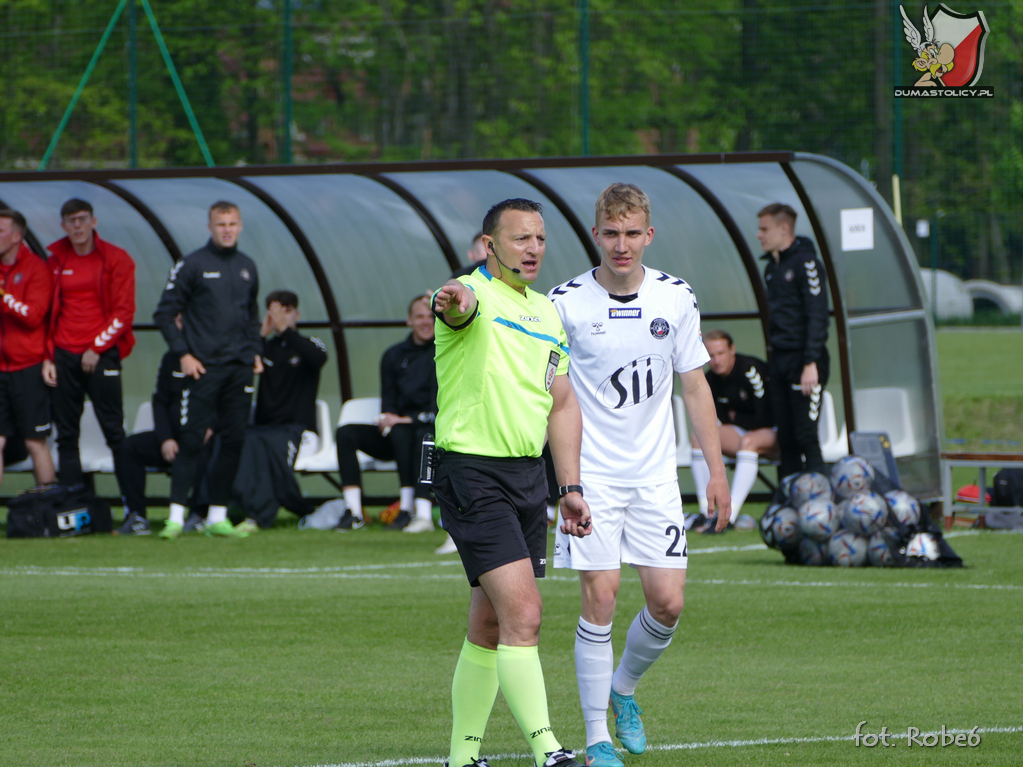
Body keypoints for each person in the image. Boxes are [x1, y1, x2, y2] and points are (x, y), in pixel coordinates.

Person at [547, 183, 730, 767]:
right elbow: (551, 398)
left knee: (668, 603)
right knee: (601, 596)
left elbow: (695, 387)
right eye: (610, 233)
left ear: (648, 235)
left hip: (654, 478)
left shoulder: (675, 297)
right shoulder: (565, 303)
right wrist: (566, 483)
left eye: (632, 234)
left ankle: (623, 689)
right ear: (595, 234)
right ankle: (598, 734)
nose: (621, 245)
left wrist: (716, 472)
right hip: (591, 478)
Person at [432, 198, 591, 767]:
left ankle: (461, 755)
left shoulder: (548, 313)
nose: (533, 249)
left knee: (491, 619)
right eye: (520, 239)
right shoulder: (467, 291)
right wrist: (455, 301)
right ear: (489, 244)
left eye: (540, 239)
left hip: (528, 477)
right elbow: (456, 307)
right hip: (472, 472)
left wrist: (569, 486)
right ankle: (547, 750)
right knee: (525, 614)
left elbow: (562, 401)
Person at [152, 200, 262, 539]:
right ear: (210, 227)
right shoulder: (192, 264)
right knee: (191, 440)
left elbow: (252, 315)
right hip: (202, 369)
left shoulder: (247, 266)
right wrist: (184, 354)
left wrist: (255, 352)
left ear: (240, 226)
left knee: (233, 440)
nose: (227, 229)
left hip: (240, 368)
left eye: (232, 223)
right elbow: (164, 313)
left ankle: (217, 517)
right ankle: (175, 518)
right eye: (221, 224)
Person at [43, 199, 136, 487]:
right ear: (63, 226)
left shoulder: (117, 259)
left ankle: (134, 510)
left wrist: (96, 348)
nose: (78, 225)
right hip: (64, 354)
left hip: (101, 355)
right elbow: (45, 314)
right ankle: (74, 505)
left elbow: (124, 313)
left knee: (114, 431)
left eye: (83, 219)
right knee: (66, 435)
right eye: (71, 221)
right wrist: (48, 357)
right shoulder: (56, 260)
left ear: (94, 222)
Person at [334, 293, 437, 533]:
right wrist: (388, 419)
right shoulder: (393, 355)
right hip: (397, 437)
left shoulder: (443, 352)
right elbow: (388, 402)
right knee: (346, 433)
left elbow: (438, 408)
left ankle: (416, 513)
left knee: (419, 433)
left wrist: (406, 419)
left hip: (431, 433)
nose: (426, 322)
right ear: (408, 321)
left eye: (431, 316)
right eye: (419, 316)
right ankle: (354, 513)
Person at [232, 290, 327, 532]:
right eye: (275, 312)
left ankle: (259, 516)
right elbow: (238, 366)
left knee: (269, 447)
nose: (280, 317)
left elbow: (317, 358)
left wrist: (287, 331)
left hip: (298, 429)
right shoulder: (263, 348)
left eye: (286, 311)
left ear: (297, 314)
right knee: (239, 441)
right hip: (264, 427)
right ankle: (228, 509)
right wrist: (260, 336)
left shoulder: (310, 344)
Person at [114, 320, 215, 536]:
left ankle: (199, 514)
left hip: (201, 438)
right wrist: (165, 438)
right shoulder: (171, 358)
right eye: (176, 320)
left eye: (183, 318)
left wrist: (211, 427)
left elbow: (227, 401)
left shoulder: (216, 355)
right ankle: (137, 517)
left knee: (210, 451)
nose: (179, 325)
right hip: (174, 437)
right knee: (129, 447)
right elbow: (160, 401)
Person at [757, 202, 829, 481]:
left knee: (805, 434)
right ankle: (789, 501)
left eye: (765, 229)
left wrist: (810, 361)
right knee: (785, 436)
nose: (759, 235)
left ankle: (820, 503)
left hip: (805, 360)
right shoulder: (771, 268)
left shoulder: (806, 263)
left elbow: (818, 314)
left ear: (784, 228)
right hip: (780, 361)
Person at [691, 328, 777, 525]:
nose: (716, 360)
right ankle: (708, 513)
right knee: (699, 437)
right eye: (711, 355)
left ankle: (729, 517)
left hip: (776, 432)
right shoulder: (710, 379)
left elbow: (765, 417)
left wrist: (736, 416)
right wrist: (737, 418)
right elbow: (719, 418)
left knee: (749, 441)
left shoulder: (750, 370)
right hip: (745, 432)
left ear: (732, 350)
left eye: (721, 353)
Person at [0, 209, 56, 488]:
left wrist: (4, 298)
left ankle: (47, 502)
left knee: (35, 441)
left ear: (16, 236)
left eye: (0, 231)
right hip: (0, 369)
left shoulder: (36, 268)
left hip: (28, 368)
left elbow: (34, 315)